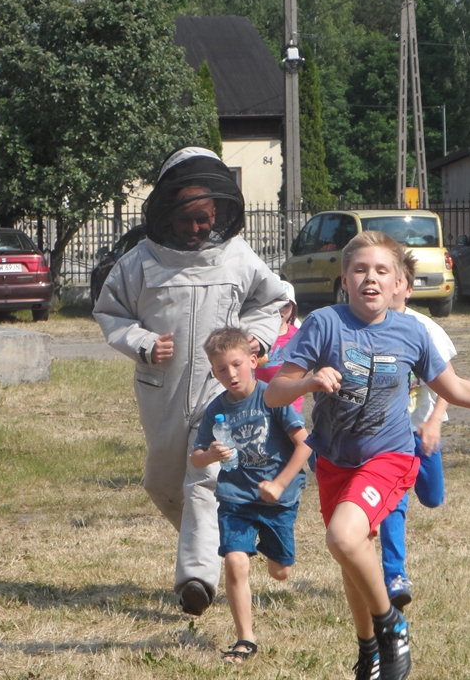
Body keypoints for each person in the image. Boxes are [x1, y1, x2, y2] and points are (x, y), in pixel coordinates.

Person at [264, 231, 470, 680]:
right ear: (344, 279)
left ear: (400, 281)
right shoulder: (324, 323)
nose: (371, 278)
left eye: (382, 270)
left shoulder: (413, 332)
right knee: (352, 556)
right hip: (334, 460)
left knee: (343, 538)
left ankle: (391, 627)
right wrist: (307, 382)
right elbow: (273, 394)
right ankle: (369, 650)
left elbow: (456, 389)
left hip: (389, 456)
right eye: (360, 269)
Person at [94, 146, 285, 616]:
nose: (197, 229)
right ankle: (225, 536)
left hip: (223, 391)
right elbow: (110, 311)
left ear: (218, 211)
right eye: (187, 220)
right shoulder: (139, 262)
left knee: (203, 477)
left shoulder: (239, 256)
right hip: (162, 391)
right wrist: (141, 341)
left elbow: (272, 303)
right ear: (167, 213)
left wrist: (257, 341)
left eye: (204, 219)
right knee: (162, 482)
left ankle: (196, 580)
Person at [190, 327, 311, 664]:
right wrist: (209, 455)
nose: (230, 374)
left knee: (280, 571)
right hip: (236, 498)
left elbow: (305, 445)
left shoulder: (273, 397)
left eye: (236, 364)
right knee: (234, 560)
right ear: (213, 372)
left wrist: (280, 484)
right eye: (221, 369)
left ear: (253, 361)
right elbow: (196, 457)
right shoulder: (217, 410)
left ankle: (275, 554)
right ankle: (245, 639)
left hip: (278, 501)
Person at [378, 251, 456, 610]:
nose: (389, 289)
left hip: (421, 430)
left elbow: (448, 384)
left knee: (433, 497)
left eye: (398, 283)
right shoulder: (368, 331)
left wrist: (435, 420)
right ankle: (394, 574)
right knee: (394, 504)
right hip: (388, 440)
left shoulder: (426, 330)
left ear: (407, 289)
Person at [254, 281, 304, 412]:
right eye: (276, 304)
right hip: (261, 401)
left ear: (293, 307)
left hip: (290, 403)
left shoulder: (299, 335)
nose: (280, 310)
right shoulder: (256, 335)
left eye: (286, 305)